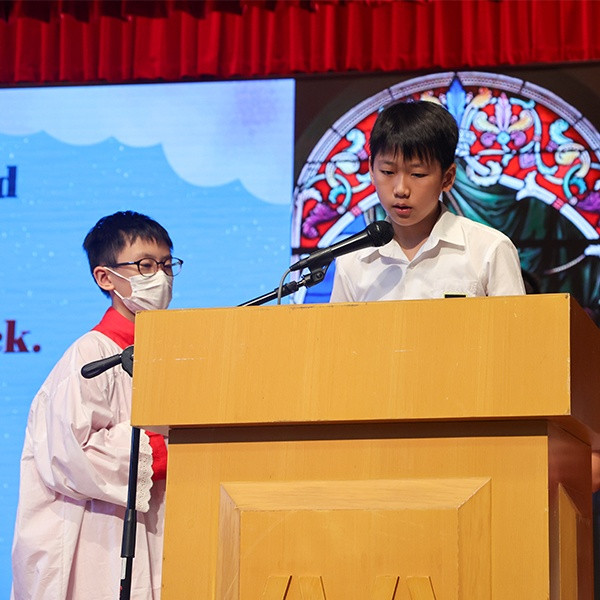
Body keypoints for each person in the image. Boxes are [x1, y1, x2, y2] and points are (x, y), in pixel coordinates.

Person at [11, 211, 182, 600]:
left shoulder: (173, 354)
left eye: (167, 265)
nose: (161, 277)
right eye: (146, 266)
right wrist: (170, 449)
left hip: (164, 528)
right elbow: (70, 454)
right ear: (105, 277)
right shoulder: (90, 356)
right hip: (100, 538)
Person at [330, 101, 526, 301]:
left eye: (418, 174)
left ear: (447, 178)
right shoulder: (352, 261)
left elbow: (514, 322)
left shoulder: (489, 249)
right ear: (372, 171)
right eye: (388, 172)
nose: (401, 190)